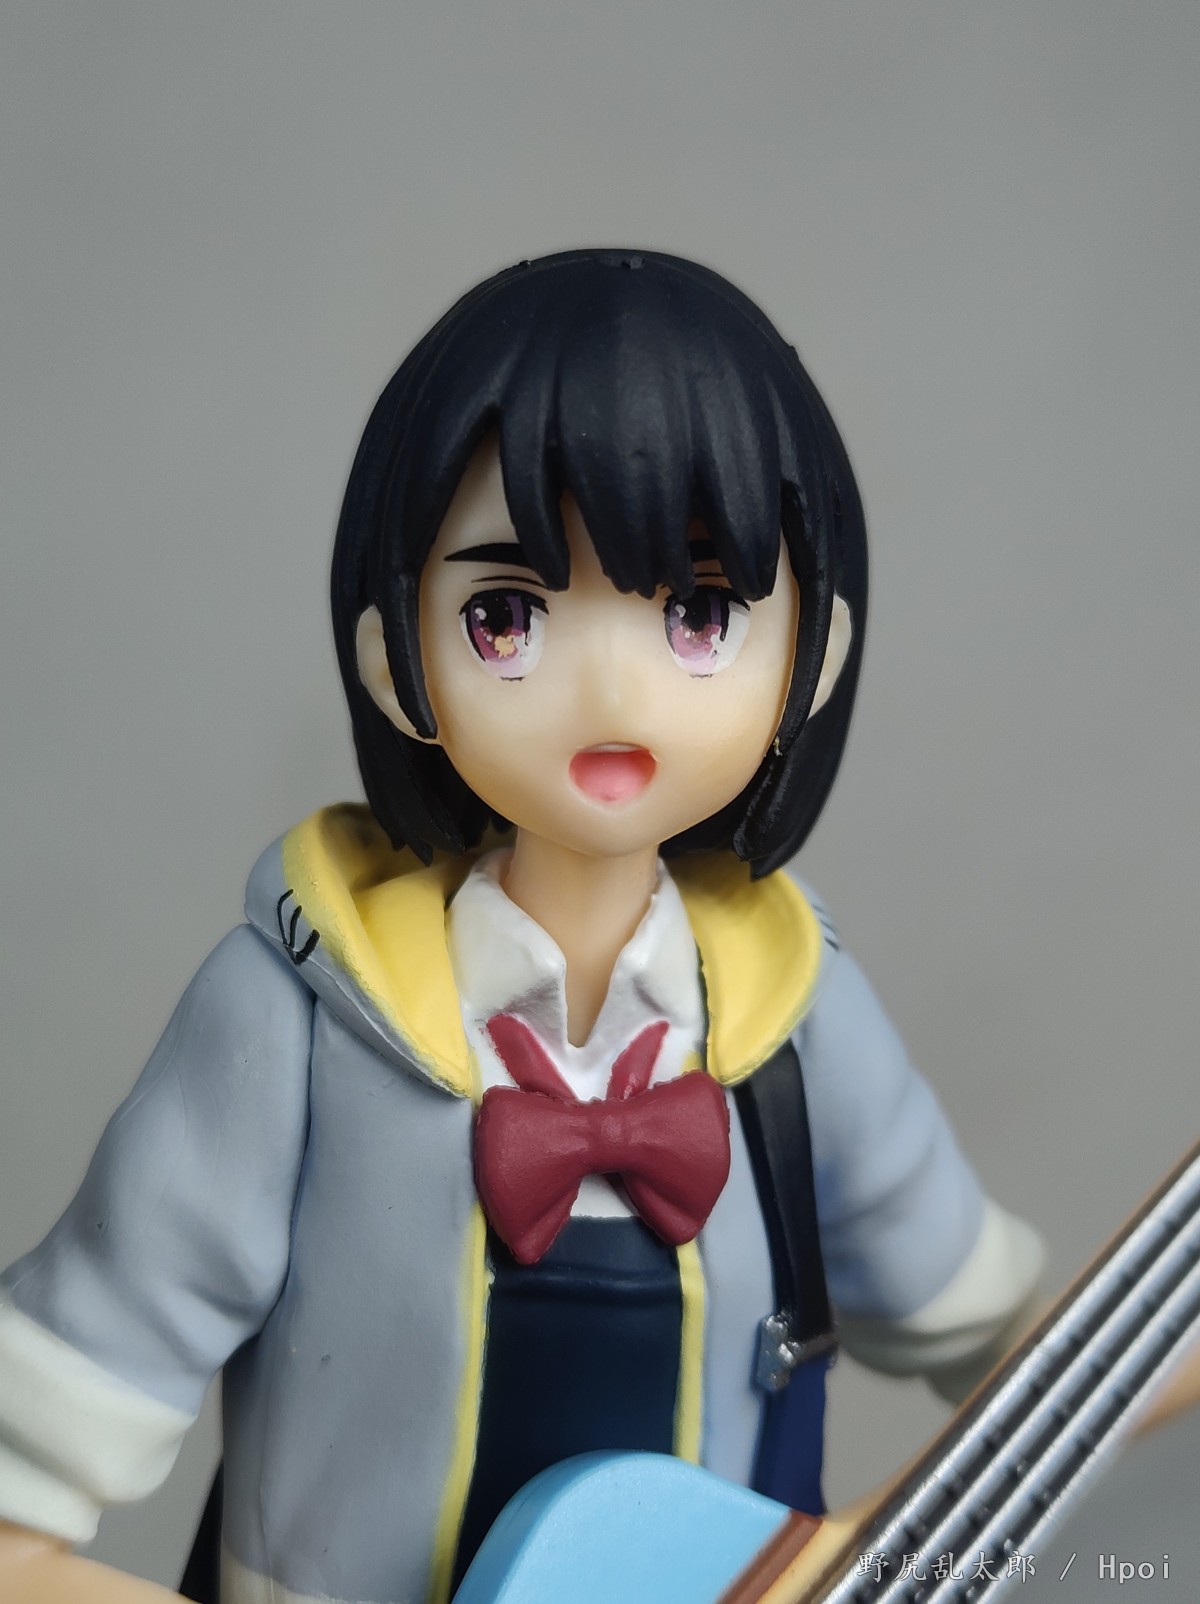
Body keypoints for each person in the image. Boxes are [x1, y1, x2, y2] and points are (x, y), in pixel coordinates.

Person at [0, 251, 1044, 1604]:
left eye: (700, 614)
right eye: (505, 618)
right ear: (395, 657)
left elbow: (1021, 1346)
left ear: (816, 654)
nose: (611, 690)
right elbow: (39, 1445)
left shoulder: (797, 1015)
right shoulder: (297, 1022)